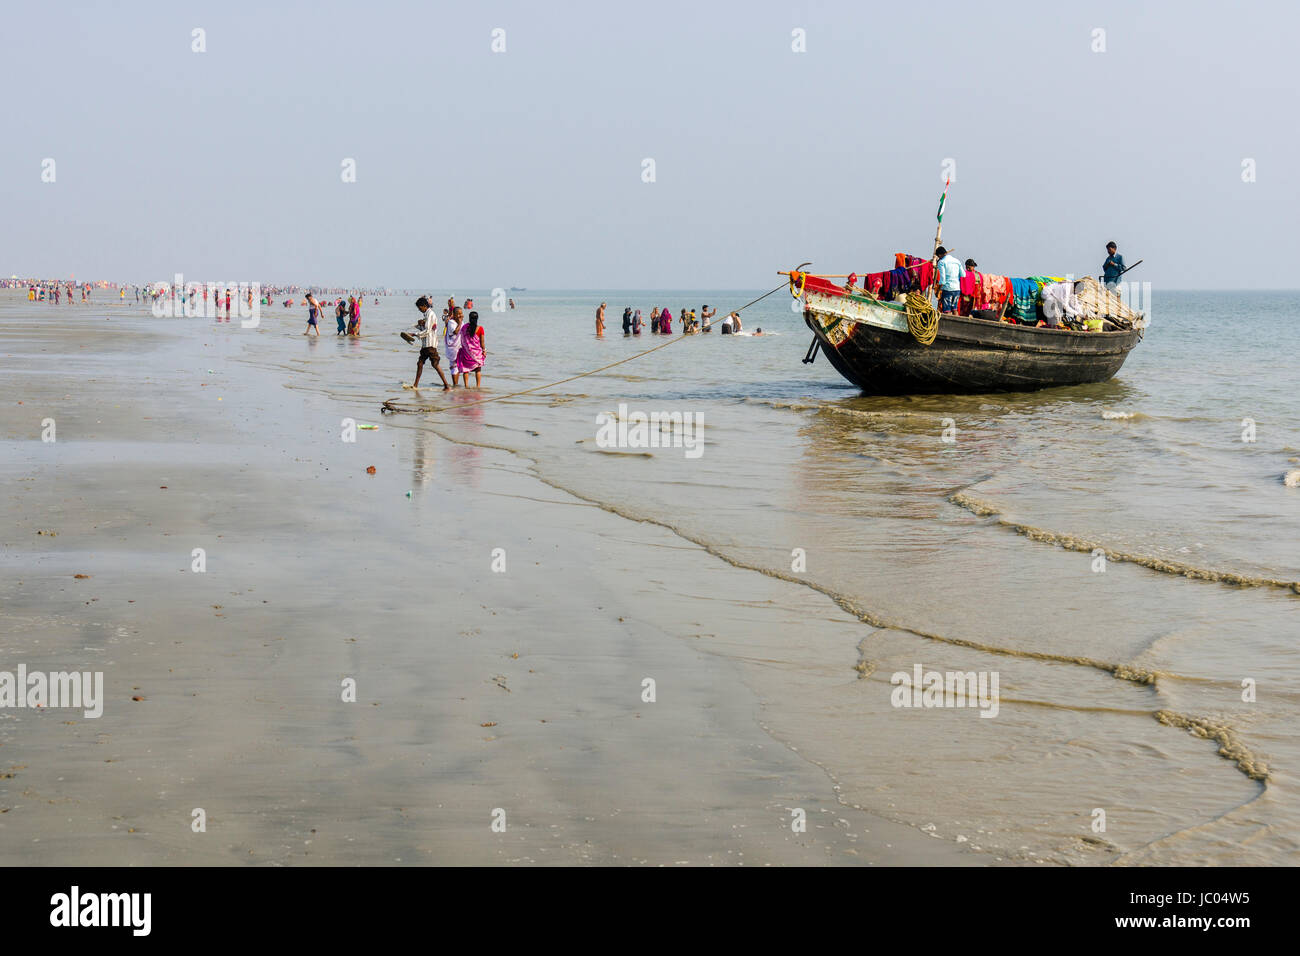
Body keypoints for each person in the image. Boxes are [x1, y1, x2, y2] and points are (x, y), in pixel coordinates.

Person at [411, 296, 450, 390]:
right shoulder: (426, 315)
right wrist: (419, 325)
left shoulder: (430, 314)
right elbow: (425, 329)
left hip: (430, 345)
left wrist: (414, 334)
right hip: (425, 344)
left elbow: (428, 331)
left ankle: (446, 385)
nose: (419, 310)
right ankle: (415, 385)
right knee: (420, 363)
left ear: (424, 306)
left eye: (420, 308)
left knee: (435, 364)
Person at [455, 311, 486, 388]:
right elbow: (482, 342)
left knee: (466, 370)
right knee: (478, 370)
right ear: (477, 319)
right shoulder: (480, 329)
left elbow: (461, 338)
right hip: (477, 354)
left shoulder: (464, 327)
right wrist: (484, 350)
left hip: (466, 353)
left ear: (469, 318)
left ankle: (466, 386)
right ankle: (478, 387)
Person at [935, 246, 965, 314]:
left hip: (947, 289)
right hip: (957, 289)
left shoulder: (941, 262)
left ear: (939, 255)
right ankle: (957, 324)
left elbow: (942, 280)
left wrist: (938, 290)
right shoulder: (957, 261)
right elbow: (963, 274)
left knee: (947, 311)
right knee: (955, 309)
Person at [444, 307, 462, 382]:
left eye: (461, 313)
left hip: (459, 347)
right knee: (453, 366)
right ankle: (455, 384)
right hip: (453, 348)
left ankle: (456, 385)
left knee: (457, 366)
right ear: (454, 315)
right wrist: (460, 322)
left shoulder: (460, 321)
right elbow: (455, 332)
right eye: (459, 314)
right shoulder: (451, 323)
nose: (461, 315)